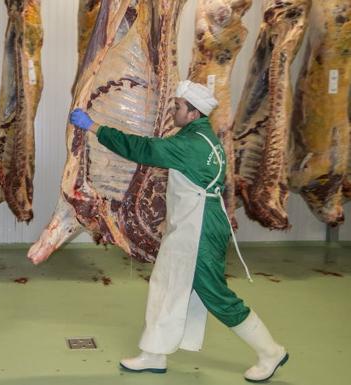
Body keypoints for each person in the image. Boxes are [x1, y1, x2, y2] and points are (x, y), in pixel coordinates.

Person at [68, 80, 288, 383]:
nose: (173, 111)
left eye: (178, 107)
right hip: (191, 221)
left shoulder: (191, 145)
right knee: (168, 282)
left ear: (194, 112)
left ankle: (270, 352)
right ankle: (154, 353)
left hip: (200, 224)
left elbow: (142, 149)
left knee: (215, 294)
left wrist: (94, 127)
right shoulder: (201, 136)